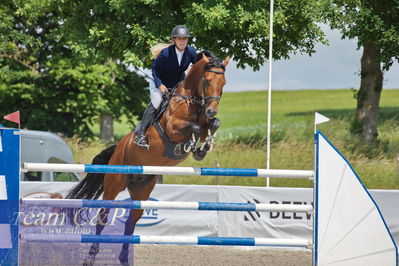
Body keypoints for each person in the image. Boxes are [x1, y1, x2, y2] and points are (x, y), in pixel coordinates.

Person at [134, 25, 197, 149]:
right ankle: (140, 134)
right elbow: (155, 69)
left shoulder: (191, 51)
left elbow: (198, 63)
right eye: (179, 38)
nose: (182, 41)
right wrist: (160, 84)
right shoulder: (166, 53)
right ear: (174, 40)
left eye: (185, 38)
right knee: (157, 102)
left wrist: (194, 69)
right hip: (159, 81)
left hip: (177, 83)